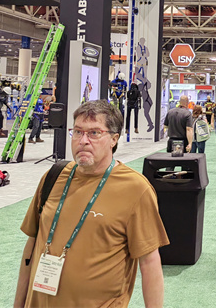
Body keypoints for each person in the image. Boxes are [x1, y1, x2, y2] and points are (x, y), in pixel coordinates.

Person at [13, 100, 168, 308]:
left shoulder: (136, 189)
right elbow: (31, 246)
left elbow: (149, 263)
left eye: (94, 133)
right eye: (77, 132)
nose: (83, 141)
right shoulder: (53, 177)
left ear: (114, 139)